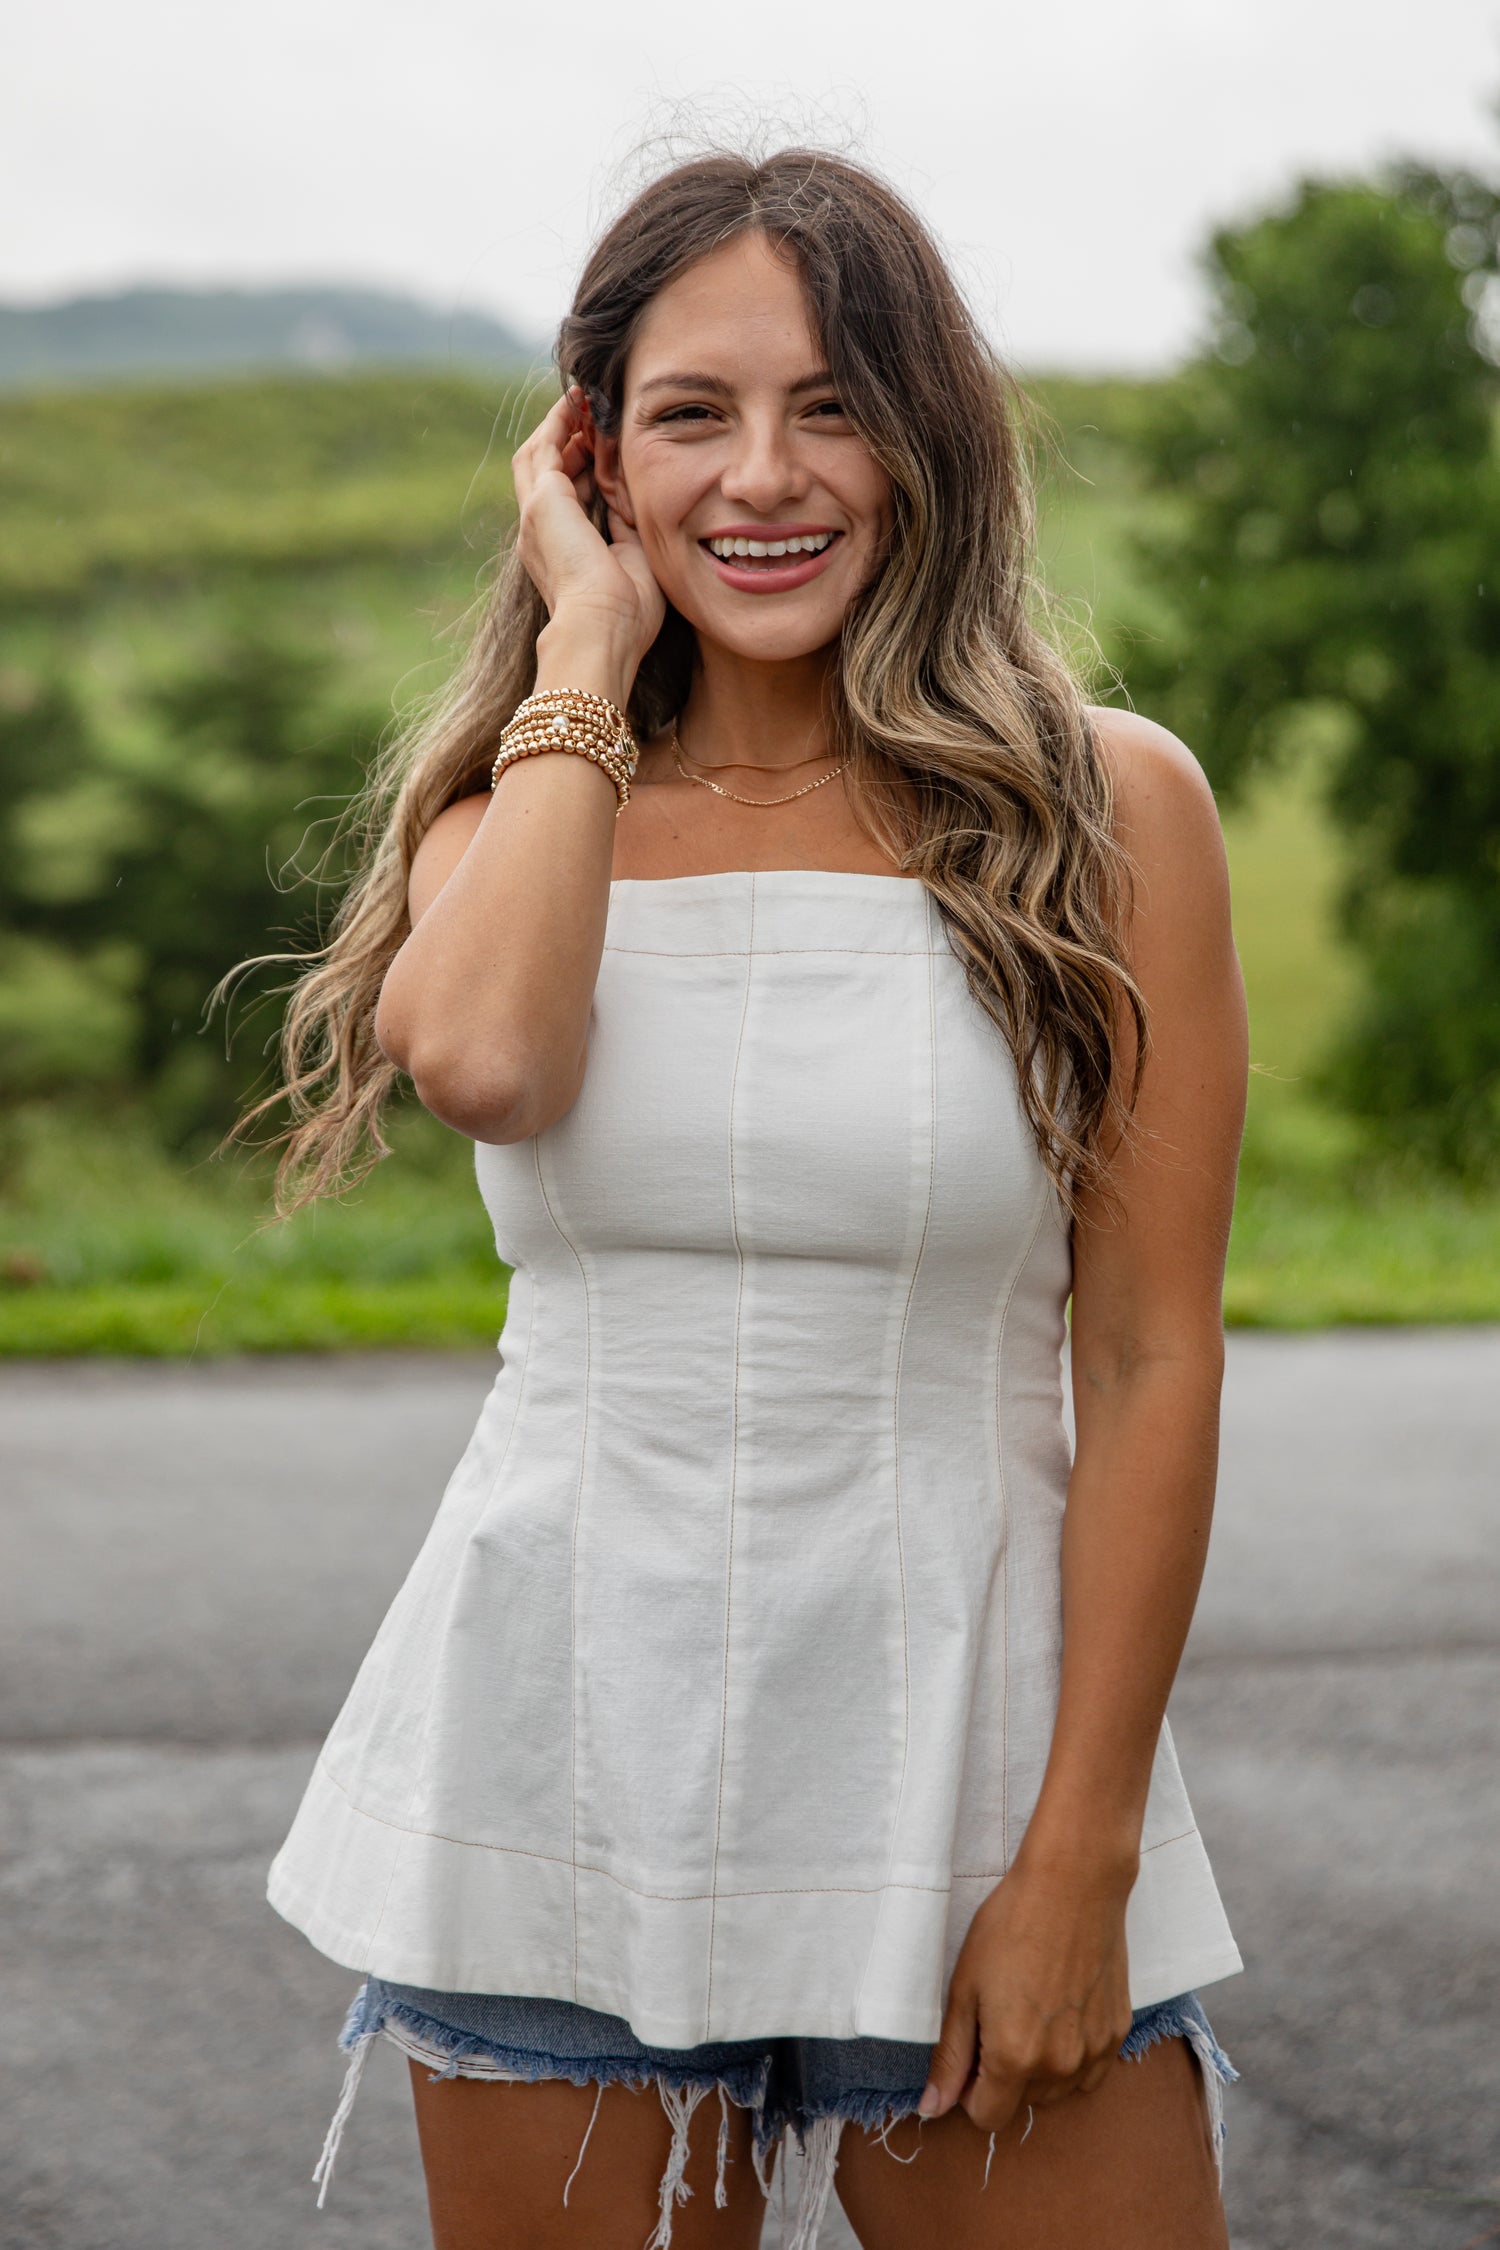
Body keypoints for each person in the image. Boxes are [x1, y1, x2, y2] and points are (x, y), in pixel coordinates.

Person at [254, 146, 1248, 2250]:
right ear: (593, 455)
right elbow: (497, 1065)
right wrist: (586, 663)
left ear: (929, 440)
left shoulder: (1112, 809)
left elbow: (1152, 1354)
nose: (764, 476)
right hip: (556, 1768)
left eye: (831, 403)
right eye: (694, 413)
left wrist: (1080, 1861)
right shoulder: (514, 808)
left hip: (974, 1770)